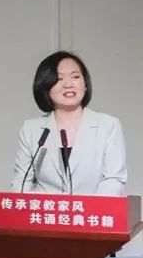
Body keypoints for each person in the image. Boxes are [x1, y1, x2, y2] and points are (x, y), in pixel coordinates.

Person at [10, 51, 127, 195]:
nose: (68, 84)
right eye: (59, 79)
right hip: (47, 209)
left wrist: (88, 207)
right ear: (46, 87)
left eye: (75, 77)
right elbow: (22, 182)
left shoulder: (108, 126)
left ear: (85, 84)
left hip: (93, 208)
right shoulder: (31, 130)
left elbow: (114, 179)